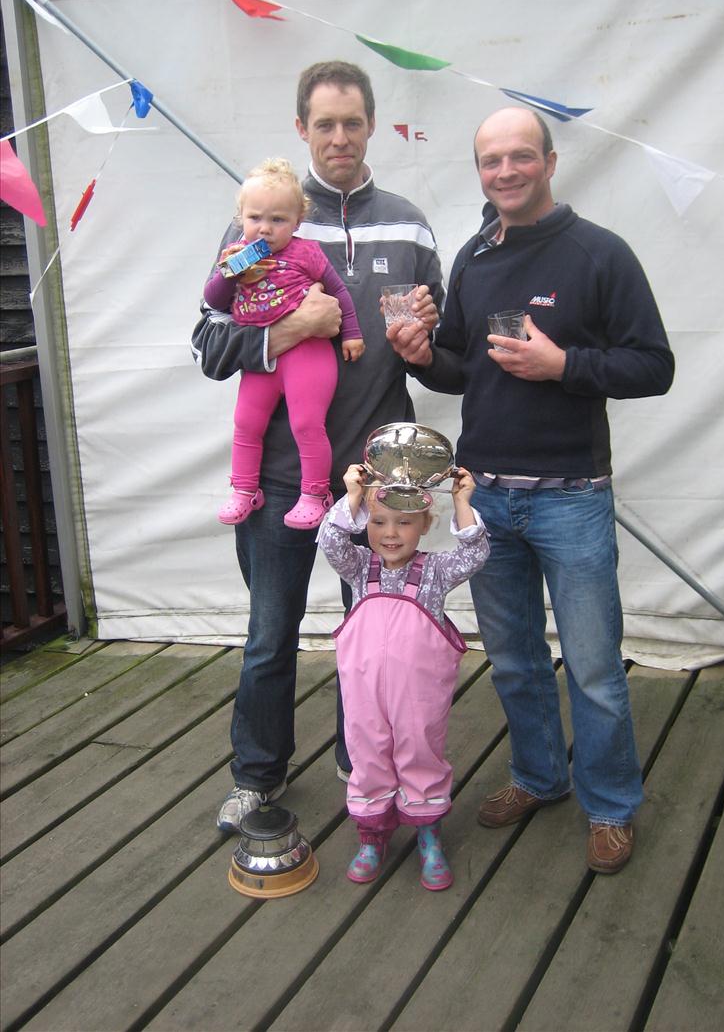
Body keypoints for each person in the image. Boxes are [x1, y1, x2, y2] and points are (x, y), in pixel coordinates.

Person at [388, 106, 675, 874]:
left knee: (592, 666)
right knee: (513, 659)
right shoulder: (476, 256)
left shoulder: (599, 254)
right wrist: (419, 356)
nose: (505, 172)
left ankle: (610, 805)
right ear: (479, 171)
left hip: (571, 496)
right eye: (491, 161)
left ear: (550, 162)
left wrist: (566, 366)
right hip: (484, 497)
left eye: (521, 157)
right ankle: (539, 777)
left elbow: (655, 366)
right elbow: (459, 365)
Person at [191, 62, 445, 831]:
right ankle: (257, 776)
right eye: (324, 124)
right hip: (277, 479)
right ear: (302, 129)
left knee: (371, 633)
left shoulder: (407, 222)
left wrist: (429, 331)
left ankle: (360, 760)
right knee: (271, 634)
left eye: (353, 122)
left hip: (376, 479)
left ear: (371, 126)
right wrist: (287, 331)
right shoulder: (260, 222)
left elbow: (444, 344)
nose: (339, 137)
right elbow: (207, 341)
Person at [318, 462, 489, 889]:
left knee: (420, 752)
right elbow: (330, 539)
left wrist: (463, 502)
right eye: (378, 521)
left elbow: (475, 554)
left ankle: (429, 834)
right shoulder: (358, 567)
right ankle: (371, 835)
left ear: (426, 524)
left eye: (403, 522)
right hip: (364, 696)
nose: (390, 533)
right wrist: (353, 496)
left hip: (418, 698)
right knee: (368, 752)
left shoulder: (435, 572)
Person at [205, 158, 365, 530]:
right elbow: (213, 300)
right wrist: (229, 273)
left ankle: (315, 492)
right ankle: (244, 489)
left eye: (278, 220)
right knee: (245, 422)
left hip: (308, 354)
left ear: (296, 221)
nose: (264, 229)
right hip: (262, 360)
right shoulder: (239, 253)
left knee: (307, 422)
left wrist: (352, 333)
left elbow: (339, 291)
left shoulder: (305, 252)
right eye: (255, 218)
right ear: (241, 217)